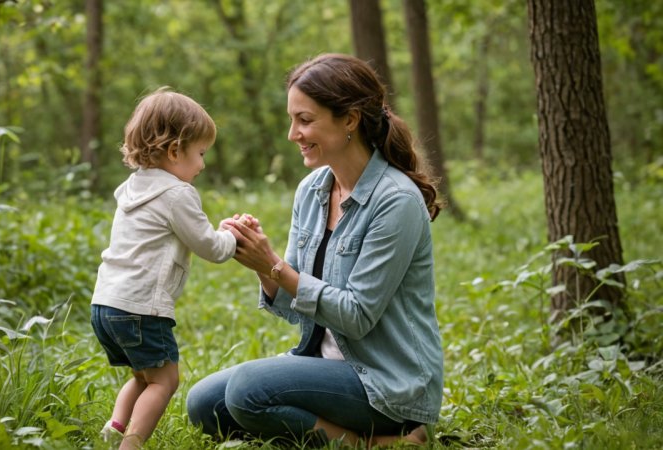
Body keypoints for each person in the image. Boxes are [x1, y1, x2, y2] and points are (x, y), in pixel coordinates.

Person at [186, 53, 444, 447]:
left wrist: (275, 267)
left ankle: (377, 442)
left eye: (305, 120)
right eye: (292, 120)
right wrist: (260, 264)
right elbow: (293, 307)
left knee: (246, 391)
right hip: (323, 366)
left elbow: (356, 316)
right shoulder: (312, 191)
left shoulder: (395, 201)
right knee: (203, 404)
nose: (293, 134)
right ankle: (341, 431)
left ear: (350, 120)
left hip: (387, 380)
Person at [91, 88, 237, 450]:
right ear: (175, 151)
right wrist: (231, 234)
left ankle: (114, 428)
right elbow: (211, 247)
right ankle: (132, 444)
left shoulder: (131, 188)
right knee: (164, 380)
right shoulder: (177, 194)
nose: (202, 165)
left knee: (142, 376)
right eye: (200, 153)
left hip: (106, 304)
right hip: (141, 307)